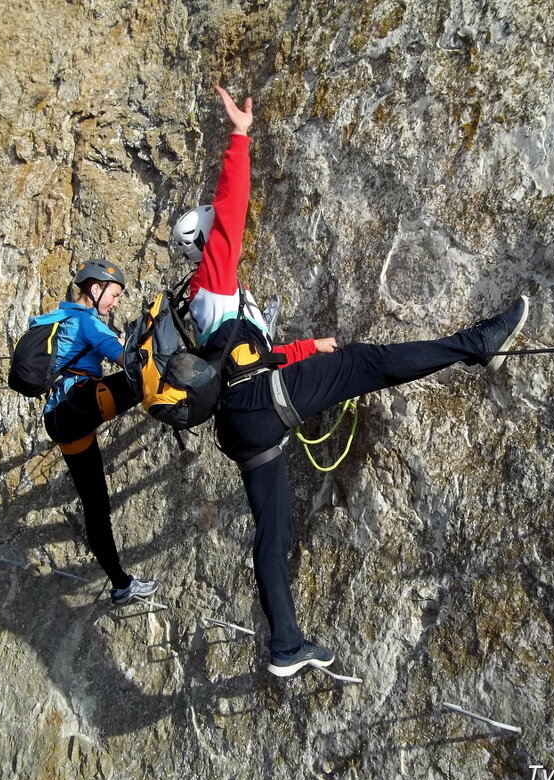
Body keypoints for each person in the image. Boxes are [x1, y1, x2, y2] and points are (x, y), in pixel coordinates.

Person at [170, 87, 529, 676]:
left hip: (242, 424)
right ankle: (477, 345)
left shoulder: (204, 304)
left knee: (273, 529)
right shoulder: (213, 276)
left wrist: (309, 349)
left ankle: (285, 643)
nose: (226, 235)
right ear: (203, 243)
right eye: (214, 233)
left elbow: (250, 357)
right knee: (368, 364)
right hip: (263, 399)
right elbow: (231, 211)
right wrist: (240, 138)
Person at [38, 258, 159, 605]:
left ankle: (121, 585)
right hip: (74, 408)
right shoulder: (86, 322)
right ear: (96, 289)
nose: (116, 302)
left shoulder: (61, 319)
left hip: (62, 421)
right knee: (140, 381)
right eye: (115, 295)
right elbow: (129, 363)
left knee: (96, 504)